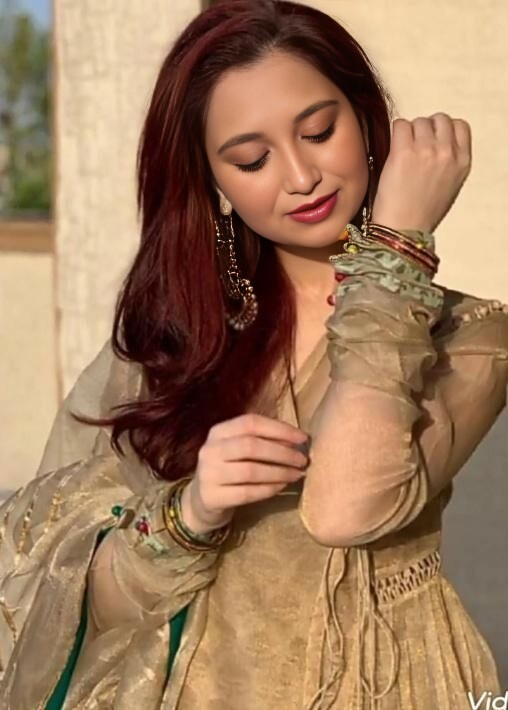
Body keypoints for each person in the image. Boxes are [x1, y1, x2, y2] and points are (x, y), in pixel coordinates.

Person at [1, 1, 507, 708]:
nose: (300, 176)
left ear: (368, 124)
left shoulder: (466, 336)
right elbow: (74, 603)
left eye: (319, 132)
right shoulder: (174, 344)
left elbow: (344, 509)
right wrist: (190, 513)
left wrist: (396, 250)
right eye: (252, 159)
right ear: (215, 182)